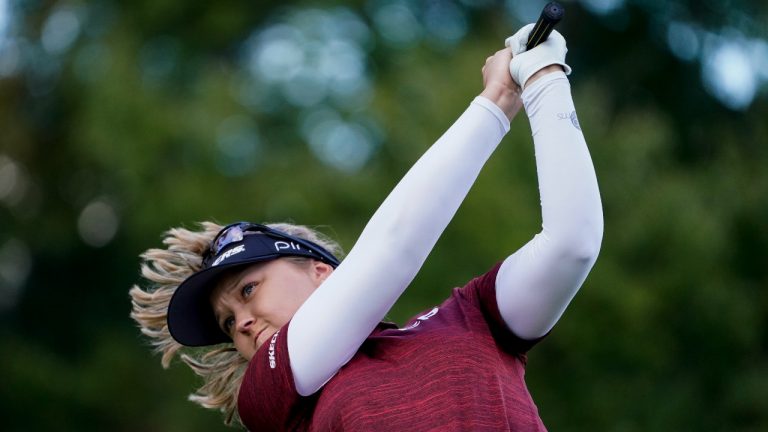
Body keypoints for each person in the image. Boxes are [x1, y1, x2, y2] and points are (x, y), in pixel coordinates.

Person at [130, 23, 603, 431]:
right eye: (228, 322)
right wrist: (496, 101)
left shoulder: (473, 318)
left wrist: (543, 77)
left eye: (249, 290)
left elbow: (571, 244)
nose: (243, 325)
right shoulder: (274, 399)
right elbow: (393, 247)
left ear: (320, 271)